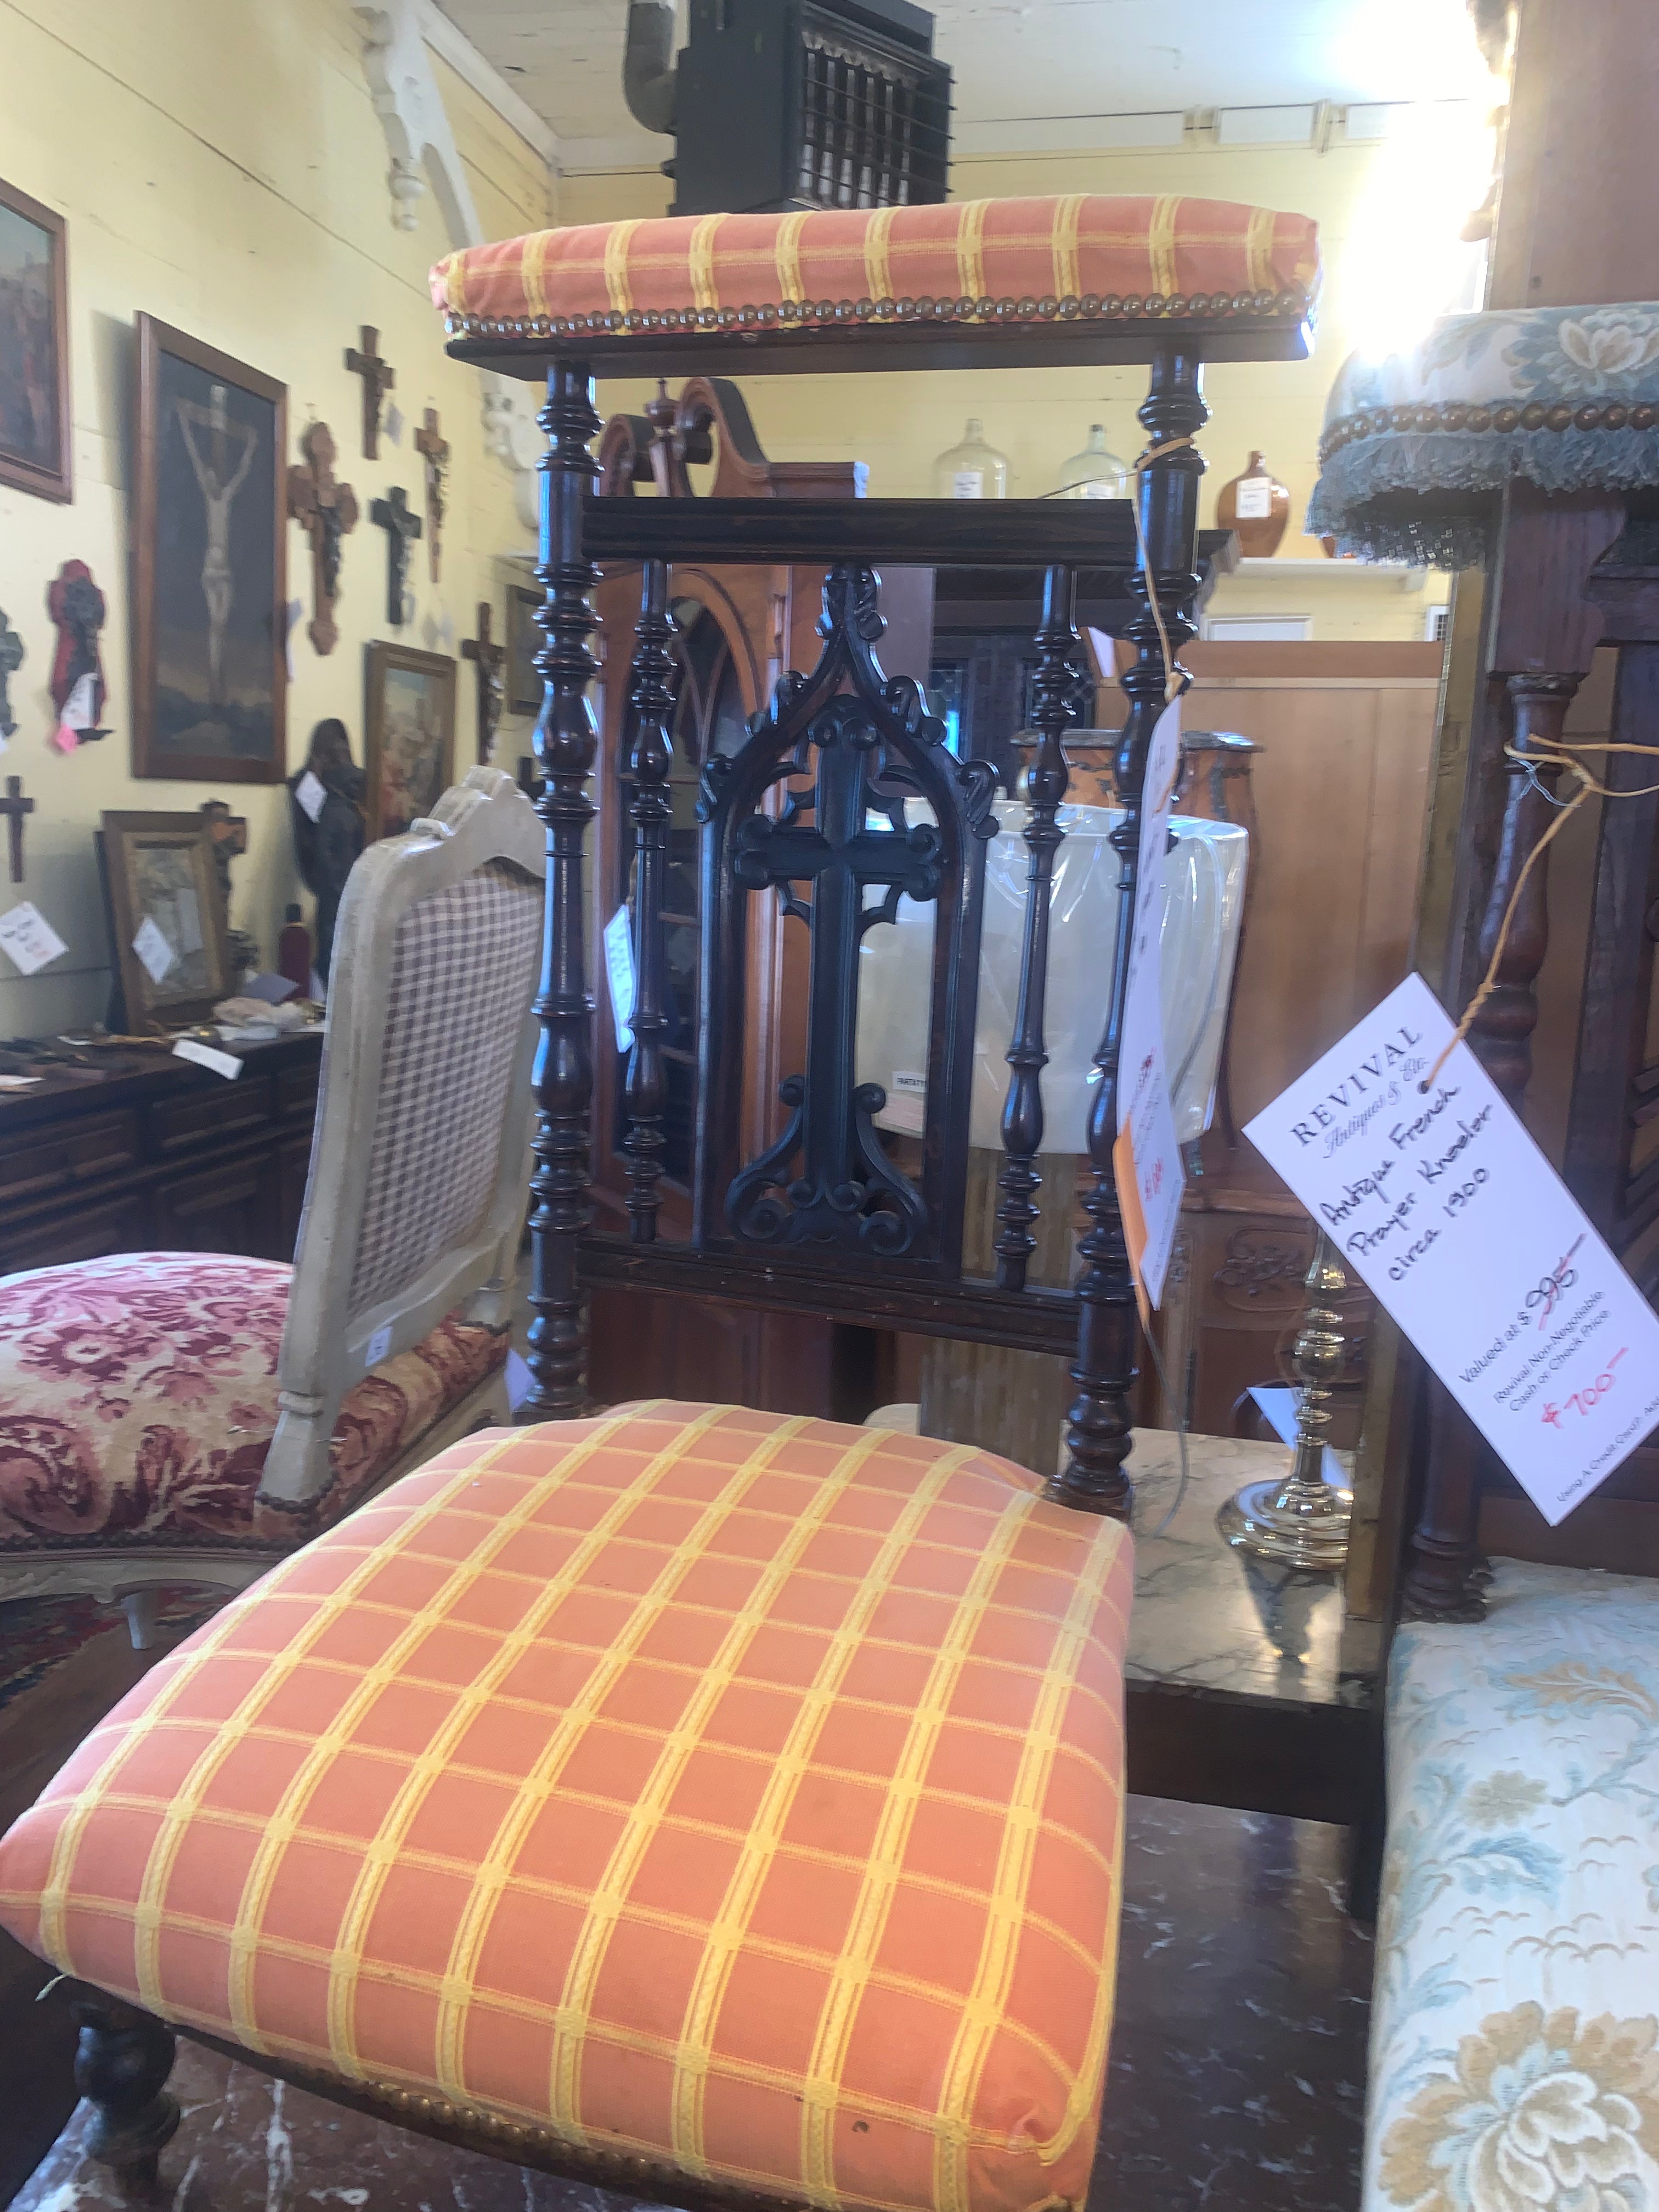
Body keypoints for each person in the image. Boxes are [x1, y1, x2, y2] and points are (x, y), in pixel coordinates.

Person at [287, 719, 365, 984]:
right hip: (352, 886)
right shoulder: (356, 788)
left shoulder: (321, 788)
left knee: (335, 959)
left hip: (338, 885)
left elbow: (312, 847)